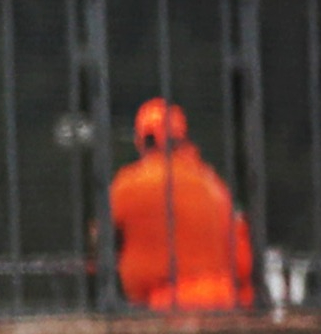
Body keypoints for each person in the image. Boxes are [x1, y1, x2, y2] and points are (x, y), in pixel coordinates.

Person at [110, 97, 257, 311]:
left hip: (170, 304)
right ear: (183, 137)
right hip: (226, 301)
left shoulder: (129, 185)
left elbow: (102, 239)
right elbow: (243, 259)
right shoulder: (214, 184)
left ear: (143, 140)